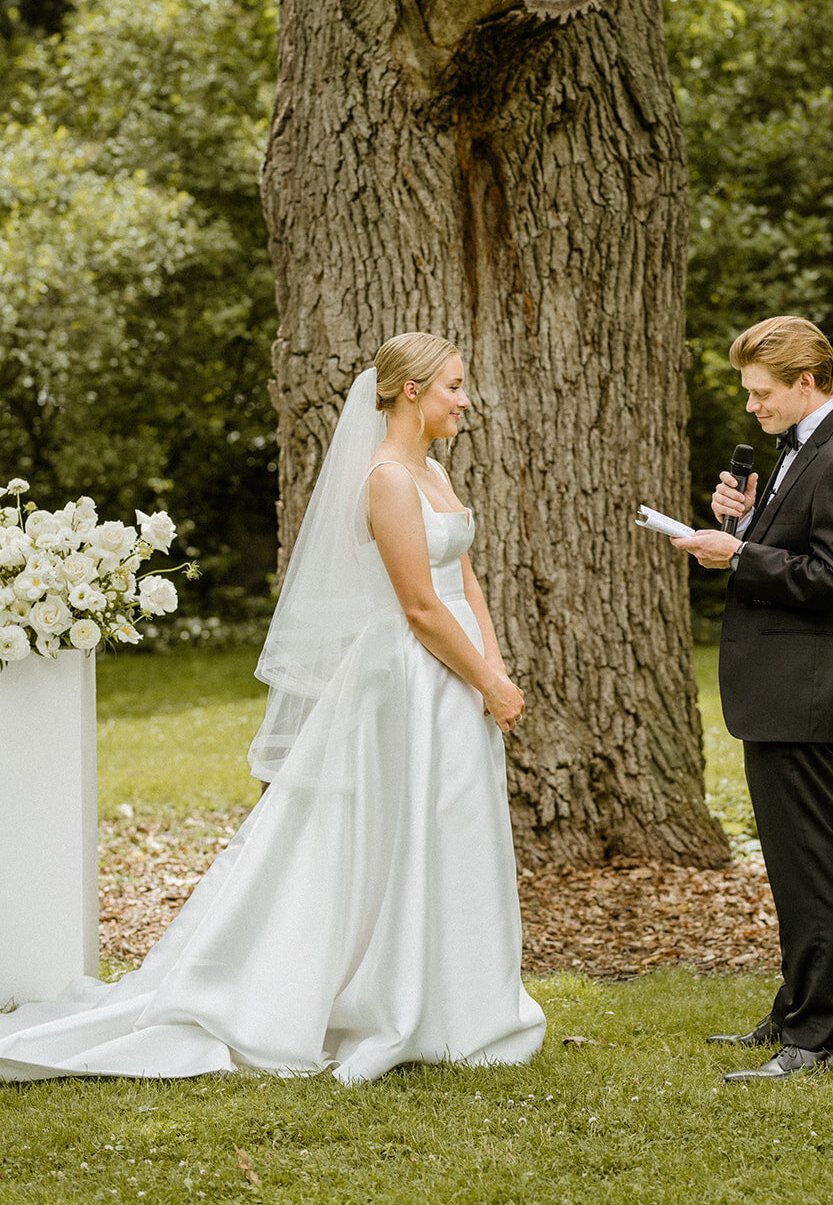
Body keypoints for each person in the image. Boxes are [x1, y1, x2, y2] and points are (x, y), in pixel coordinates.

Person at [0, 332, 545, 1084]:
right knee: (398, 823)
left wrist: (493, 663)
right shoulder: (386, 478)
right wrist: (486, 683)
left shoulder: (435, 471)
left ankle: (457, 997)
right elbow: (418, 606)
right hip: (410, 677)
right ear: (412, 391)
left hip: (457, 671)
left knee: (450, 821)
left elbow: (465, 580)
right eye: (452, 385)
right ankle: (368, 994)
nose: (464, 398)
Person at [672, 316, 833, 1082]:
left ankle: (820, 1037)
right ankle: (794, 1011)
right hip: (778, 689)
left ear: (806, 383)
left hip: (804, 692)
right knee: (789, 863)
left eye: (761, 393)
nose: (752, 407)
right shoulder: (804, 450)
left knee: (809, 864)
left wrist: (740, 552)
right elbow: (793, 553)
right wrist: (746, 525)